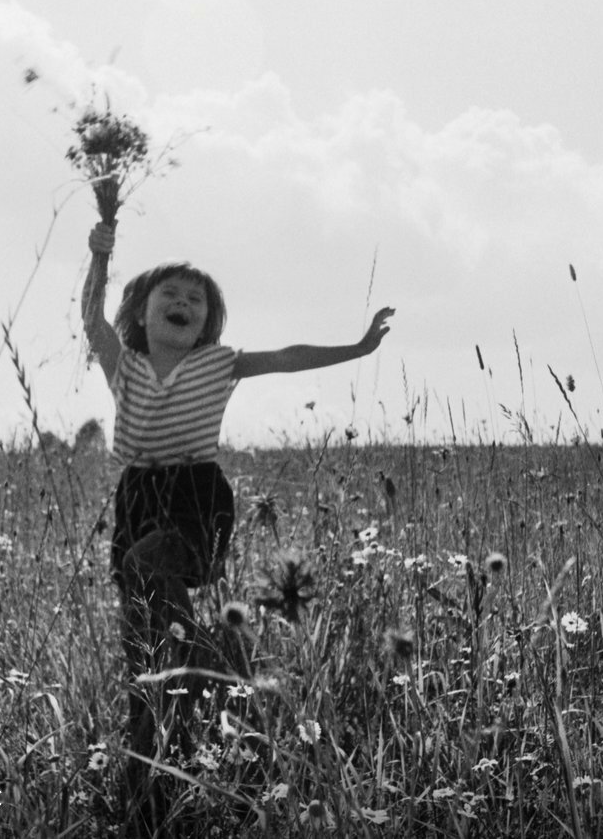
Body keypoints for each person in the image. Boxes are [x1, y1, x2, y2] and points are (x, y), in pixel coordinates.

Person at [81, 221, 393, 833]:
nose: (183, 303)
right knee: (141, 650)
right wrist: (100, 254)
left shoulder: (219, 363)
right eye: (169, 295)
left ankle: (216, 661)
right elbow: (91, 316)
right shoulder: (126, 365)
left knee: (151, 568)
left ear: (208, 322)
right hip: (138, 496)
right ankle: (147, 783)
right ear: (141, 315)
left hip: (197, 497)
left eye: (196, 300)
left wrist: (357, 349)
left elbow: (286, 357)